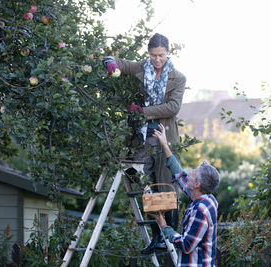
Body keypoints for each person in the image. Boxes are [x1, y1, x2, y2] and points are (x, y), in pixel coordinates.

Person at [102, 33, 186, 254]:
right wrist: (110, 62)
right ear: (148, 53)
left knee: (165, 184)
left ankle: (169, 235)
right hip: (142, 136)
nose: (156, 60)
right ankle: (157, 234)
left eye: (160, 55)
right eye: (153, 55)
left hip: (164, 135)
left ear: (168, 53)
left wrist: (143, 112)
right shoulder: (141, 67)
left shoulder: (178, 78)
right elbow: (119, 62)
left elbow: (173, 107)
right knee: (141, 179)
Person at [150, 124, 220, 267]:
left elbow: (186, 245)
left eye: (193, 175)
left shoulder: (200, 210)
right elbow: (181, 176)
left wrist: (164, 225)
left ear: (197, 185)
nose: (190, 175)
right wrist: (165, 144)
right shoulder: (208, 199)